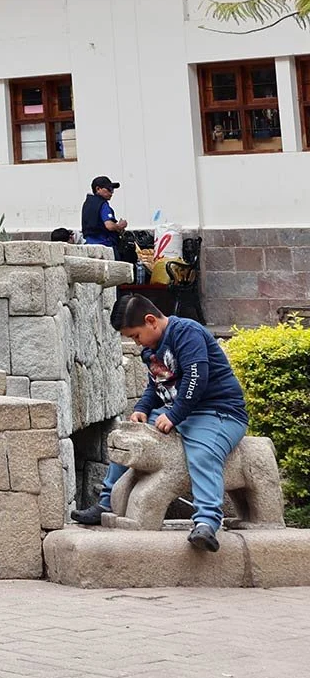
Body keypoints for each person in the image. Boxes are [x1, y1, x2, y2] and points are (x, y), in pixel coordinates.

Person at [75, 293, 251, 551]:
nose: (136, 343)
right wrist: (143, 409)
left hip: (217, 412)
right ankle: (107, 502)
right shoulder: (151, 348)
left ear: (151, 321)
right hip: (180, 412)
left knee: (203, 453)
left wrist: (175, 415)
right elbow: (157, 386)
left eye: (136, 335)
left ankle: (206, 522)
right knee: (129, 436)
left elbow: (196, 379)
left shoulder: (187, 333)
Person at [81, 176, 128, 251]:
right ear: (98, 189)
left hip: (89, 245)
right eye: (109, 189)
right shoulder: (103, 204)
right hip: (105, 245)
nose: (111, 193)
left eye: (112, 190)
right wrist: (120, 226)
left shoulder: (87, 204)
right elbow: (109, 225)